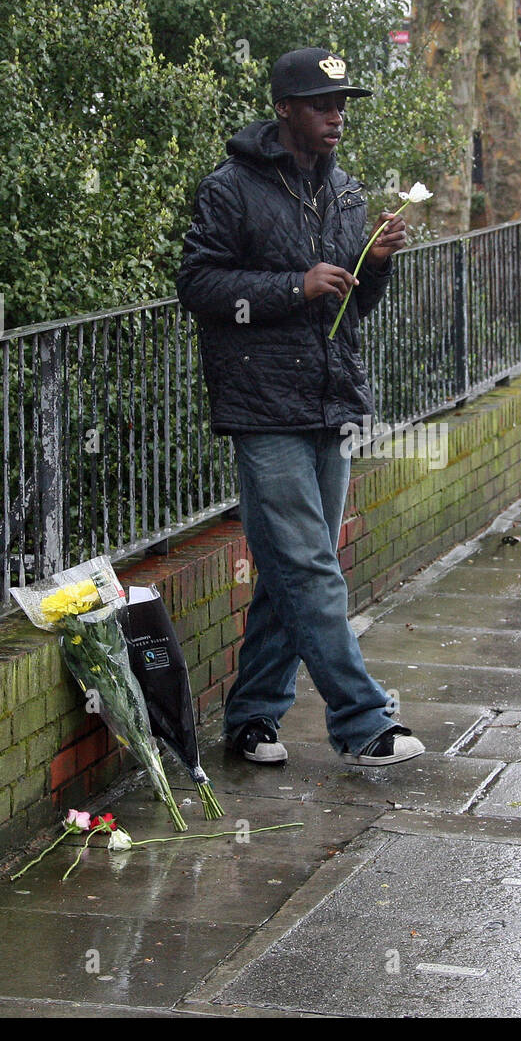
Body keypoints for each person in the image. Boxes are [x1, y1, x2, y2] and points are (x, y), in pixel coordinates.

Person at [174, 47, 425, 768]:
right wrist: (293, 286)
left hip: (332, 401)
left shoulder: (345, 195)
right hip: (264, 406)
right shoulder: (231, 188)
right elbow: (199, 285)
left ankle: (251, 716)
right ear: (285, 109)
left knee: (292, 566)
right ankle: (362, 720)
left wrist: (374, 266)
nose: (337, 115)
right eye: (323, 103)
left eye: (343, 103)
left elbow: (352, 307)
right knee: (313, 565)